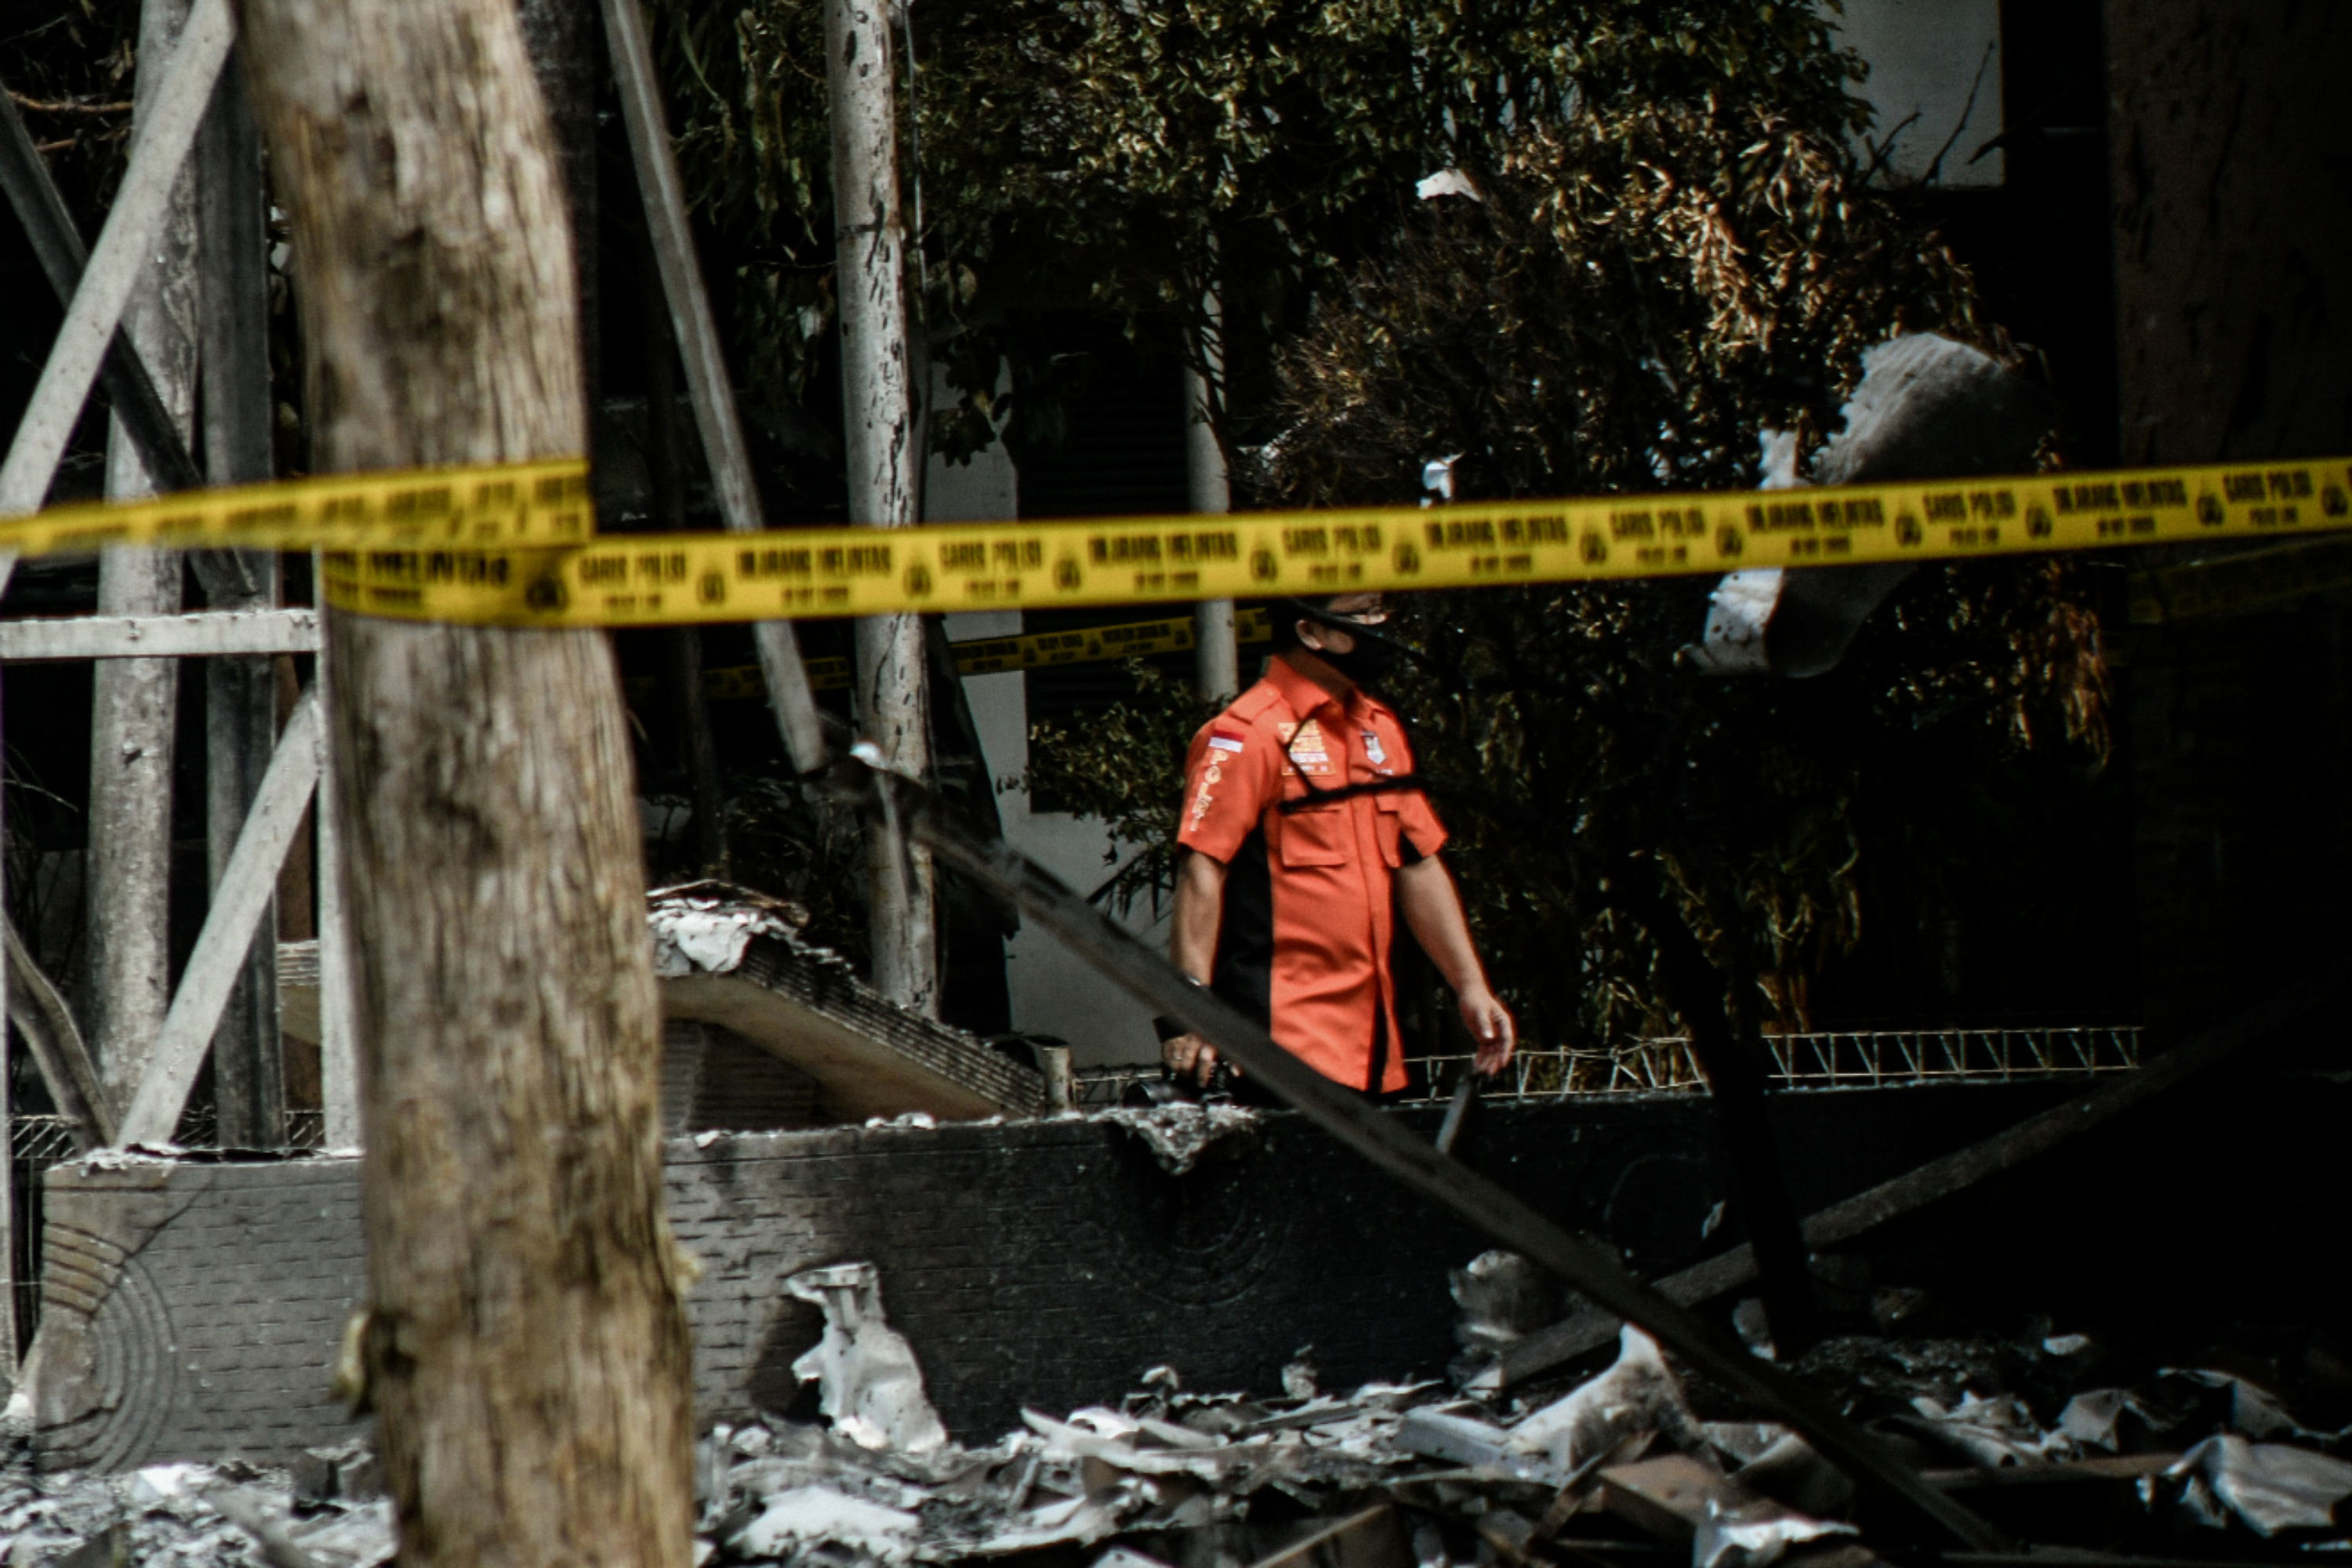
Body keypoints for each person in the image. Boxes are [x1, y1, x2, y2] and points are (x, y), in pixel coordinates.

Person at [1161, 591, 1515, 1099]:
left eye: (1381, 609)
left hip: (1377, 1052)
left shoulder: (1379, 729)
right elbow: (1202, 870)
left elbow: (1418, 864)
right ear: (1311, 632)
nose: (1382, 624)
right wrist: (1191, 1012)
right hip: (1278, 1050)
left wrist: (1471, 987)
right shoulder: (1246, 734)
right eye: (1364, 614)